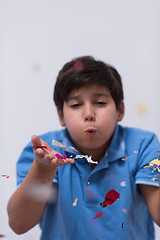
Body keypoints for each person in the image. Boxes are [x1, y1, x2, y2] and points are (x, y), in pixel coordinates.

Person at [7, 56, 160, 240]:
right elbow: (19, 224)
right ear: (61, 115)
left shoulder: (142, 145)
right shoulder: (43, 151)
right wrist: (43, 170)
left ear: (120, 110)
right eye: (76, 105)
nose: (89, 114)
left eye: (100, 103)